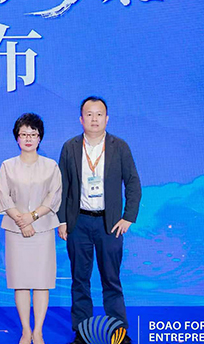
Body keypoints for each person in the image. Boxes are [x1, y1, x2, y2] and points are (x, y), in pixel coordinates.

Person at [57, 96, 141, 344]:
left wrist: (128, 217)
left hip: (110, 223)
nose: (94, 119)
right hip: (78, 222)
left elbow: (133, 183)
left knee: (111, 280)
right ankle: (83, 333)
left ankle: (118, 333)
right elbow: (62, 186)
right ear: (81, 119)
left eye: (99, 114)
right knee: (80, 281)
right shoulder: (70, 147)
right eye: (89, 114)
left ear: (107, 118)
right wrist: (62, 221)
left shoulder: (119, 146)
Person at [0, 113, 61, 344]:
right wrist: (21, 221)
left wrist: (31, 218)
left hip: (42, 230)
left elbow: (54, 197)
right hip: (15, 231)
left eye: (33, 134)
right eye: (23, 134)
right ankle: (25, 330)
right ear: (17, 138)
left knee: (42, 282)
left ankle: (38, 331)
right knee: (20, 282)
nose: (28, 139)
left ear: (40, 137)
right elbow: (3, 196)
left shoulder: (51, 166)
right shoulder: (7, 166)